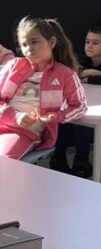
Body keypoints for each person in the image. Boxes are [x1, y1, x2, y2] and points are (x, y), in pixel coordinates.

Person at [0, 17, 87, 160]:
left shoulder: (66, 74)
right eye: (24, 44)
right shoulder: (13, 66)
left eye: (34, 42)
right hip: (3, 123)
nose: (29, 49)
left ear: (52, 42)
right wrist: (16, 116)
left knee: (3, 162)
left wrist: (58, 116)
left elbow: (80, 106)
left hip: (24, 133)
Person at [50, 26, 101, 177]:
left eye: (95, 43)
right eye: (87, 42)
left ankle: (81, 162)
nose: (89, 46)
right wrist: (89, 73)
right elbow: (73, 74)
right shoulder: (84, 59)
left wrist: (86, 77)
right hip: (91, 103)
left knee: (81, 121)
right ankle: (58, 158)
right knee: (64, 119)